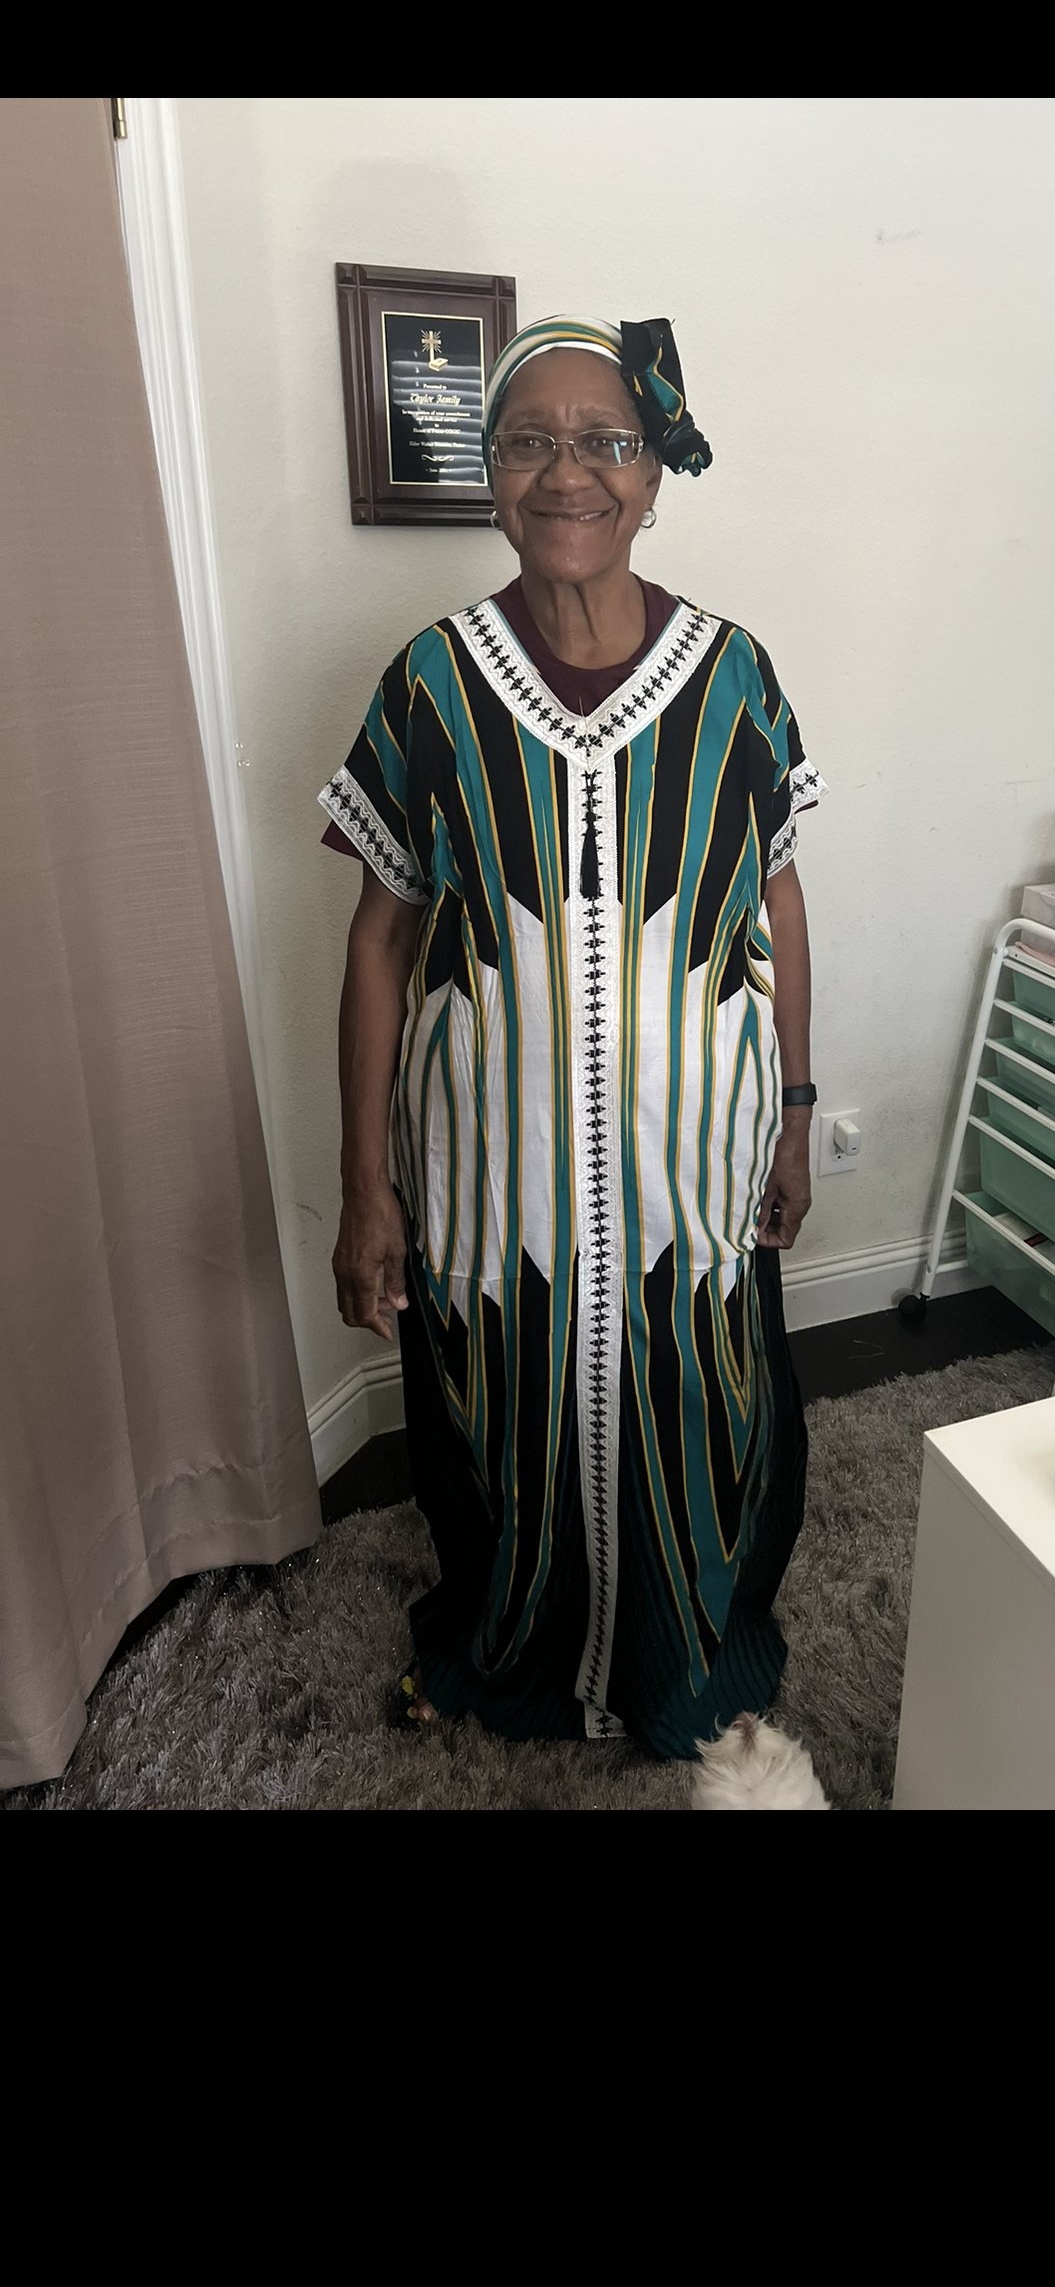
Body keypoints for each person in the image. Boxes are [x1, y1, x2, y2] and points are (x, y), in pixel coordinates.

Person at [321, 314, 825, 1757]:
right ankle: (505, 1653)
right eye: (528, 440)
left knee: (703, 1406)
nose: (568, 472)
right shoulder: (431, 682)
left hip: (694, 1168)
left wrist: (795, 1110)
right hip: (494, 1184)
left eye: (606, 440)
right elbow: (378, 940)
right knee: (500, 1422)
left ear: (654, 475)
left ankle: (693, 1659)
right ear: (490, 474)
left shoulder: (734, 675)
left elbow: (779, 898)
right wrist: (365, 1184)